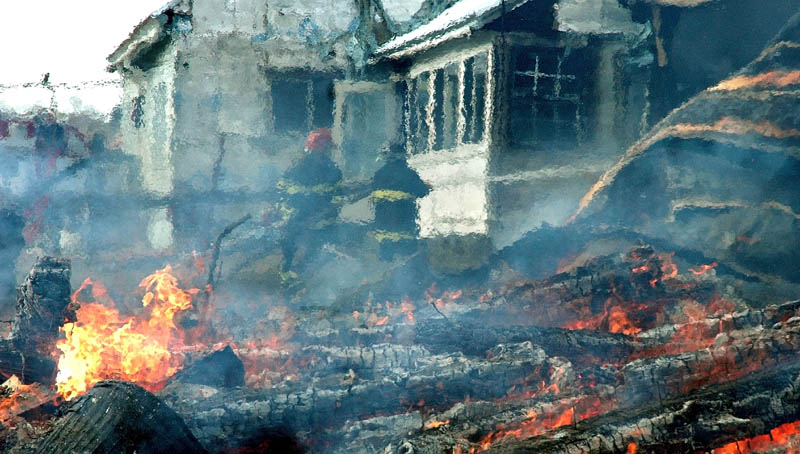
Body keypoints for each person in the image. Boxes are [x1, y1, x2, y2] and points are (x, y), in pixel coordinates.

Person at [277, 128, 343, 277]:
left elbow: (337, 197)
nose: (325, 151)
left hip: (310, 222)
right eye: (324, 147)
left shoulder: (331, 170)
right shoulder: (327, 169)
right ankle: (291, 278)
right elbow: (282, 192)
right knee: (298, 253)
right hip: (302, 221)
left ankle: (296, 279)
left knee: (308, 255)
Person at [369, 143, 430, 261]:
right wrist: (427, 186)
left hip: (383, 232)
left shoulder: (379, 174)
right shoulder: (409, 174)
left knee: (387, 265)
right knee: (407, 266)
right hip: (404, 232)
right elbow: (422, 192)